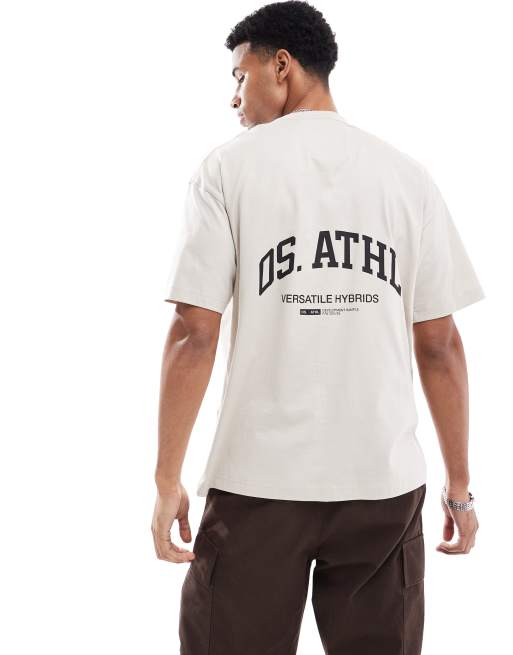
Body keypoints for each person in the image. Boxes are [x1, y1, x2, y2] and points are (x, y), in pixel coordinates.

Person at [151, 2, 484, 653]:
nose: (233, 98)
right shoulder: (406, 178)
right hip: (382, 486)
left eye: (239, 76)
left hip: (258, 485)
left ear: (282, 66)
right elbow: (440, 344)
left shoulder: (227, 170)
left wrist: (166, 481)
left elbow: (194, 331)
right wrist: (460, 487)